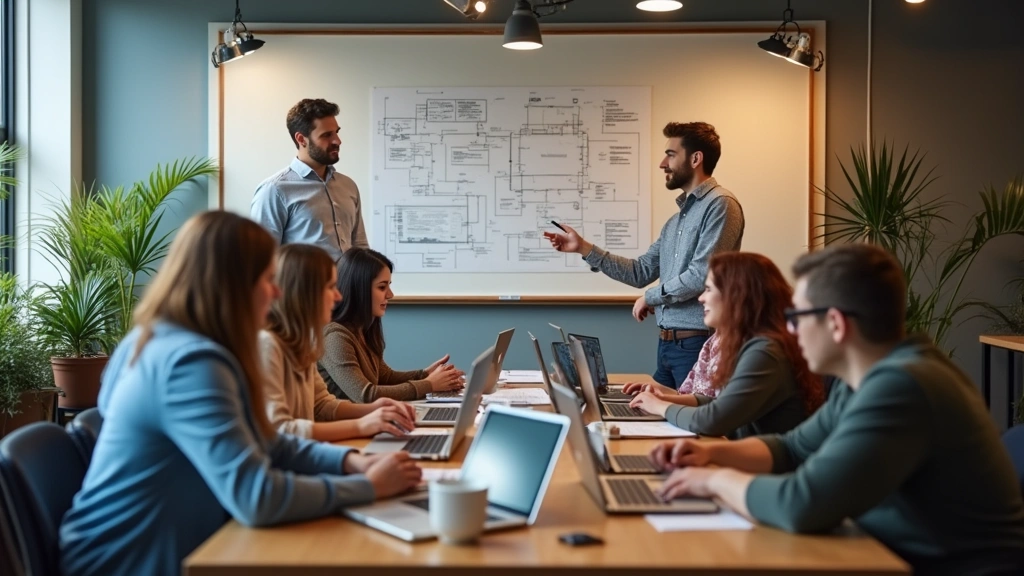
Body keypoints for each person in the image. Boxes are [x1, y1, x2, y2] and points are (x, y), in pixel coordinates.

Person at [59, 212, 421, 576]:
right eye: (267, 279)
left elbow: (267, 439)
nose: (278, 292)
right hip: (127, 560)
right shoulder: (190, 362)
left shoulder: (158, 340)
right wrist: (366, 486)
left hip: (169, 543)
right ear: (231, 285)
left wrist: (349, 463)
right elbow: (256, 497)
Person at [649, 244, 1024, 576]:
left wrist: (713, 479)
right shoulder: (863, 380)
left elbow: (800, 504)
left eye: (797, 317)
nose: (791, 331)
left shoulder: (903, 386)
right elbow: (791, 448)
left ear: (835, 324)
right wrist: (709, 451)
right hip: (888, 554)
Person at [544, 122, 744, 389]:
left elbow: (700, 276)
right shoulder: (675, 222)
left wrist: (650, 297)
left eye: (671, 154)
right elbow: (640, 272)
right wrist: (584, 248)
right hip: (667, 345)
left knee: (692, 428)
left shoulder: (721, 205)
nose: (663, 163)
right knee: (644, 412)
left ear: (696, 159)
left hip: (697, 342)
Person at [625, 252, 823, 438]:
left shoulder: (766, 352)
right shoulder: (747, 342)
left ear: (737, 296)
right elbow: (721, 403)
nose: (701, 297)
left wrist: (660, 408)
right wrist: (665, 399)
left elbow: (712, 421)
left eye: (709, 289)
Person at [260, 243, 417, 440]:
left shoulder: (303, 344)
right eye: (330, 287)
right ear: (302, 293)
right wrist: (362, 425)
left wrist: (374, 409)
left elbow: (322, 405)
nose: (338, 296)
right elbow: (280, 431)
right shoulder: (267, 346)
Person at [318, 247, 463, 402]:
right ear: (358, 289)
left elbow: (384, 376)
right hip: (343, 425)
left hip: (367, 420)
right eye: (382, 287)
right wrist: (429, 384)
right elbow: (366, 395)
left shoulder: (363, 328)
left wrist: (425, 374)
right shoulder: (334, 337)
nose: (390, 294)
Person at [251, 98, 368, 263]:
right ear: (301, 139)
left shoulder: (348, 186)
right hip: (302, 288)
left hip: (348, 289)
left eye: (337, 132)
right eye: (327, 135)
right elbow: (262, 260)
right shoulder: (274, 191)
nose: (337, 141)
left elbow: (360, 246)